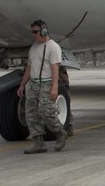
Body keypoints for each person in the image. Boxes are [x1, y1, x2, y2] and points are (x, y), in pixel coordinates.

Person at [17, 19, 68, 154]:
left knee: (46, 112)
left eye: (35, 32)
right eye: (32, 32)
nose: (33, 35)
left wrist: (54, 87)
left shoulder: (53, 47)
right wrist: (22, 85)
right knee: (31, 114)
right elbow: (29, 68)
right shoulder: (33, 47)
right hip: (33, 84)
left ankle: (60, 133)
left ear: (44, 31)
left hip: (46, 83)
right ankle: (38, 143)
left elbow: (55, 68)